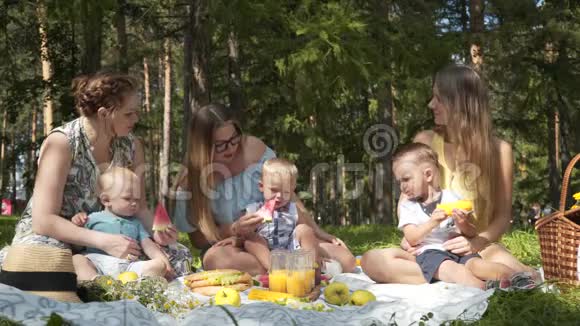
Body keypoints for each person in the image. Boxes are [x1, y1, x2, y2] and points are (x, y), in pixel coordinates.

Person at [0, 72, 191, 276]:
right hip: (56, 236)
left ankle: (99, 283)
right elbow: (43, 220)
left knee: (179, 256)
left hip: (113, 237)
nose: (136, 118)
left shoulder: (132, 146)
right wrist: (102, 241)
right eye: (129, 113)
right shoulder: (61, 143)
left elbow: (140, 207)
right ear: (103, 114)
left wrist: (158, 233)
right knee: (48, 262)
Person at [362, 64, 537, 284]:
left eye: (438, 98)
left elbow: (502, 218)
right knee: (372, 260)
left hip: (478, 250)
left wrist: (476, 242)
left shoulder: (500, 151)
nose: (431, 104)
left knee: (526, 275)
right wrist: (412, 234)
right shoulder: (424, 141)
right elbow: (406, 200)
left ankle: (463, 276)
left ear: (461, 102)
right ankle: (461, 275)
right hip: (430, 249)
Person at [172, 103, 355, 275]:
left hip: (281, 233)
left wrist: (317, 230)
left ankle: (281, 267)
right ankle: (303, 266)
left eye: (234, 139)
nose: (231, 149)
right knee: (214, 260)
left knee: (347, 260)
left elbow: (286, 192)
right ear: (202, 146)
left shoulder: (253, 148)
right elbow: (198, 241)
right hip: (236, 245)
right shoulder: (189, 181)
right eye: (220, 145)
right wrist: (234, 229)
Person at [393, 143, 521, 289]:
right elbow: (412, 237)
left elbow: (472, 233)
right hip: (431, 252)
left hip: (457, 249)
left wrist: (463, 223)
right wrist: (433, 221)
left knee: (478, 265)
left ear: (428, 175)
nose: (402, 186)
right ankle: (488, 289)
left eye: (406, 179)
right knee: (453, 270)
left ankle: (517, 278)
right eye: (399, 182)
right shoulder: (408, 206)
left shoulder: (452, 197)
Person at [216, 158, 321, 271]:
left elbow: (306, 233)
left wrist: (314, 250)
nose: (279, 196)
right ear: (261, 186)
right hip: (265, 251)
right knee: (251, 240)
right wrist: (237, 238)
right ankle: (274, 269)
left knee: (305, 229)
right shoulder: (253, 209)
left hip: (291, 249)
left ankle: (313, 265)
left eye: (286, 192)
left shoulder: (293, 209)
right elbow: (244, 232)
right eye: (274, 190)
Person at [72, 168, 172, 280]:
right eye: (127, 198)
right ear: (106, 200)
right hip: (97, 262)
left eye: (137, 199)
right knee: (77, 260)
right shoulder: (92, 218)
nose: (134, 203)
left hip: (128, 265)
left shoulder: (136, 223)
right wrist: (78, 225)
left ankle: (134, 286)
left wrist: (165, 264)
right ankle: (96, 284)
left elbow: (149, 246)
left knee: (158, 265)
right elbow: (78, 245)